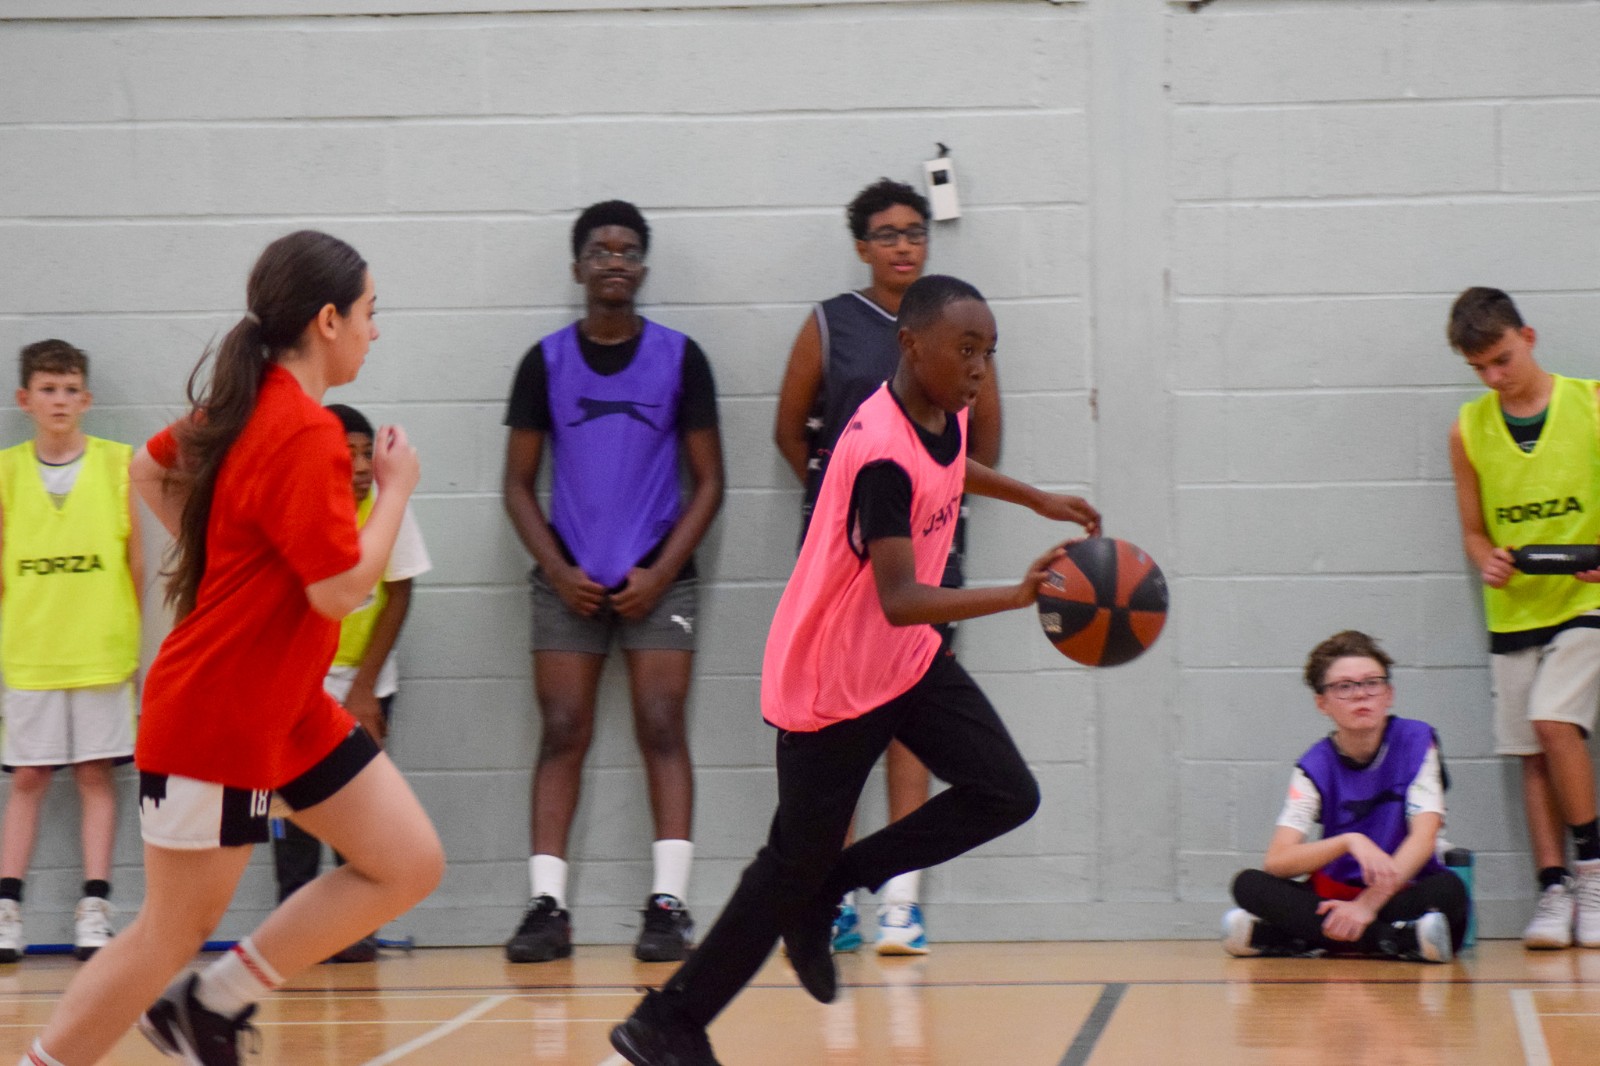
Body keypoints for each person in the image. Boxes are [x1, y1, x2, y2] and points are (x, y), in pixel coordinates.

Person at [609, 275, 1100, 1066]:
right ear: (910, 344)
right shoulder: (878, 452)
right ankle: (666, 1022)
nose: (980, 368)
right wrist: (1017, 596)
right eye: (965, 350)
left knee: (1006, 794)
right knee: (786, 869)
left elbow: (950, 467)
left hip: (903, 662)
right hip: (834, 680)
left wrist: (1034, 498)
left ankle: (833, 883)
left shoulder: (941, 408)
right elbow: (901, 599)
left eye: (989, 352)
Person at [14, 230, 445, 1066]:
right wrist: (394, 490)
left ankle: (210, 1007)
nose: (376, 329)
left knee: (406, 863)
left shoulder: (247, 404)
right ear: (328, 320)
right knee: (169, 931)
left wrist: (222, 562)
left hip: (289, 710)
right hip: (220, 712)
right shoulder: (307, 431)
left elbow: (147, 469)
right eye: (370, 311)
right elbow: (340, 590)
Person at [773, 178, 1003, 955]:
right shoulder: (831, 324)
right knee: (842, 734)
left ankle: (900, 900)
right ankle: (829, 896)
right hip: (852, 565)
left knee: (913, 726)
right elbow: (790, 432)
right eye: (887, 233)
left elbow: (978, 445)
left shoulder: (962, 329)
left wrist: (1017, 498)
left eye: (915, 231)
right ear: (862, 246)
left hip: (925, 557)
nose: (904, 244)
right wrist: (853, 508)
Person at [502, 200, 724, 964]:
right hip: (569, 579)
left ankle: (668, 907)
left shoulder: (681, 358)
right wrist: (559, 572)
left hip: (659, 576)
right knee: (563, 729)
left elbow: (710, 482)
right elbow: (516, 486)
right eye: (600, 249)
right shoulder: (544, 362)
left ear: (644, 266)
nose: (615, 260)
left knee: (661, 724)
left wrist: (660, 574)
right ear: (578, 267)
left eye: (629, 249)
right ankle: (547, 908)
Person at [1445, 286, 1600, 950]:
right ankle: (1553, 888)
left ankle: (1592, 872)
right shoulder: (1467, 429)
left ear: (1528, 337)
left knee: (1553, 720)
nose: (1494, 377)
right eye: (1479, 367)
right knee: (1530, 752)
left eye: (1502, 359)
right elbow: (1473, 530)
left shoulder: (1591, 404)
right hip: (1514, 608)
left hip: (1586, 600)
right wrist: (1487, 560)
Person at [270, 402, 432, 965]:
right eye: (348, 453)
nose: (362, 465)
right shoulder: (297, 507)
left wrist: (364, 689)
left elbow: (400, 593)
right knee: (293, 809)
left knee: (358, 805)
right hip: (301, 682)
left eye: (368, 452)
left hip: (365, 679)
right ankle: (294, 925)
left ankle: (353, 925)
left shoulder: (387, 506)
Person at [0, 340, 142, 963]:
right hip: (31, 653)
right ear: (24, 399)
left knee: (93, 776)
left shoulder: (117, 464)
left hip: (100, 653)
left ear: (86, 399)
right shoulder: (6, 472)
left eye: (69, 389)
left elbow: (136, 565)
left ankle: (94, 909)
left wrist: (132, 643)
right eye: (47, 389)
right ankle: (7, 909)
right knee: (29, 778)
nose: (59, 400)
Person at [1222, 630, 1467, 963]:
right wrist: (1349, 842)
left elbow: (1423, 840)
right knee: (1248, 884)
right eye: (1344, 687)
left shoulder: (1417, 741)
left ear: (1389, 694)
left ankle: (1291, 937)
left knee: (1449, 891)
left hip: (1400, 888)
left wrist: (1366, 905)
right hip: (1334, 893)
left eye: (1372, 683)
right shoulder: (1314, 766)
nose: (1361, 694)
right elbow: (1278, 861)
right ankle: (1395, 939)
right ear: (1322, 702)